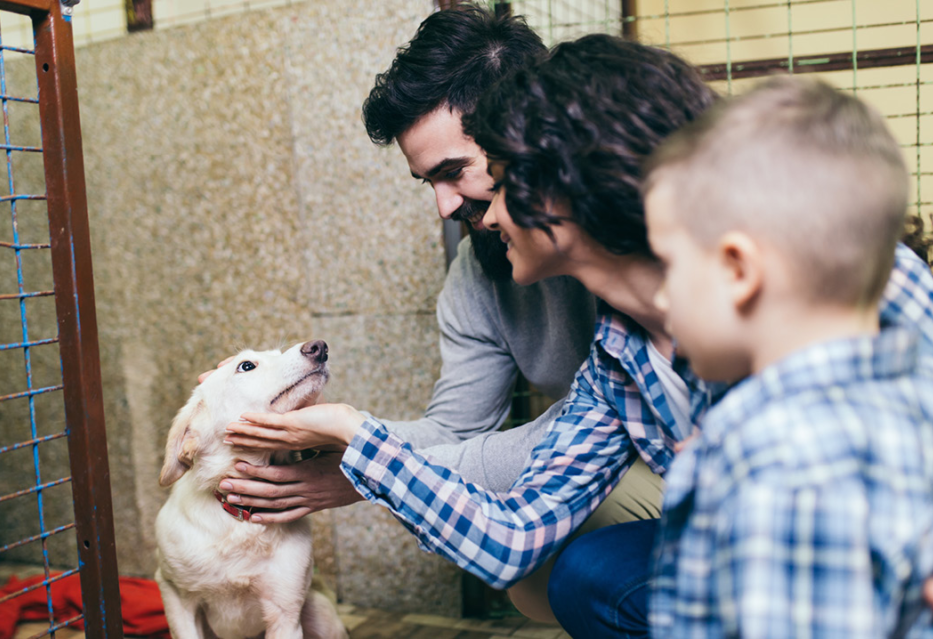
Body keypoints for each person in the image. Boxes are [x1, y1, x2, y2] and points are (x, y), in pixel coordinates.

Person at [222, 36, 933, 638]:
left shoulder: (831, 282)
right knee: (582, 572)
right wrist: (357, 439)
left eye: (489, 175)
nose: (465, 207)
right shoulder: (619, 352)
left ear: (554, 175)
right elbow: (510, 535)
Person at [208, 6, 662, 623]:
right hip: (633, 467)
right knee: (544, 577)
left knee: (588, 566)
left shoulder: (681, 275)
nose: (448, 207)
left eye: (466, 174)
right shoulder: (603, 345)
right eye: (428, 183)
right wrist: (350, 447)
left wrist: (361, 463)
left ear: (536, 139)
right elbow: (477, 466)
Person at [643, 75, 933, 638]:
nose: (660, 294)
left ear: (738, 270)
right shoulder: (918, 390)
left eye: (669, 265)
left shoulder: (784, 465)